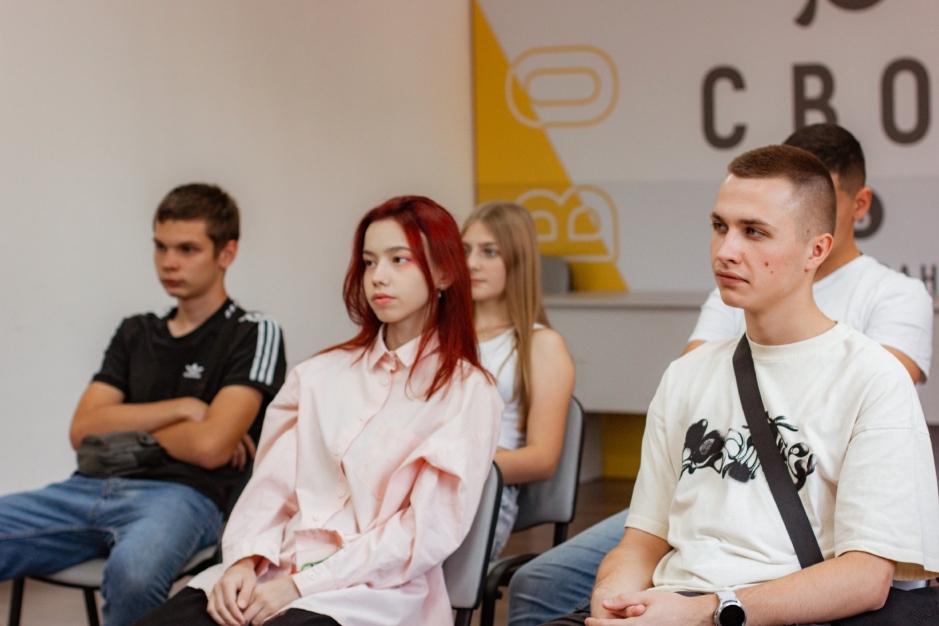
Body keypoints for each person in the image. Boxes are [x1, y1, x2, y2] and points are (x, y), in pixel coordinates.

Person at [505, 123, 935, 626]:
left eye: (754, 232)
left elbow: (865, 578)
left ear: (816, 250)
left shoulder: (872, 377)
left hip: (767, 612)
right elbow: (642, 541)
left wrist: (706, 611)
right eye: (719, 226)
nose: (725, 250)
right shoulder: (686, 376)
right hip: (673, 601)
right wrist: (615, 597)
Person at [134, 195, 503, 626]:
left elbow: (423, 534)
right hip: (270, 571)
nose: (378, 276)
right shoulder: (317, 375)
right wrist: (242, 561)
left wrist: (301, 585)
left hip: (370, 593)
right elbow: (270, 491)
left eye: (398, 260)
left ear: (444, 272)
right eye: (369, 262)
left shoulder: (467, 393)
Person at [0, 183, 287, 626]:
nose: (169, 262)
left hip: (181, 497)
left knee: (134, 573)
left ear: (226, 253)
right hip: (88, 487)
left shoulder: (253, 332)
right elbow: (82, 430)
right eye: (161, 246)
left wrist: (124, 429)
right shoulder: (135, 331)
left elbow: (210, 447)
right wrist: (186, 407)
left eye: (187, 249)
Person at [462, 202, 575, 558]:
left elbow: (543, 459)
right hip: (424, 487)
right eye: (465, 251)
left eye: (489, 252)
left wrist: (452, 464)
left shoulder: (542, 345)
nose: (471, 264)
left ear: (518, 260)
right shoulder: (441, 337)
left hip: (485, 494)